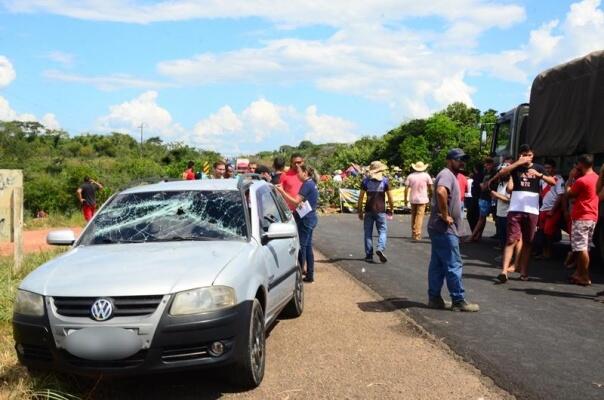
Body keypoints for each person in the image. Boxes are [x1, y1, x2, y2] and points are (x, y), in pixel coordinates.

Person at [493, 144, 555, 283]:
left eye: (530, 155)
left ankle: (524, 272)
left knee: (528, 242)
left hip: (532, 210)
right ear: (520, 155)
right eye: (525, 154)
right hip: (515, 208)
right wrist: (517, 163)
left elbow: (552, 182)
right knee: (511, 240)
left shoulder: (538, 168)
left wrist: (540, 175)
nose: (527, 157)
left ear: (533, 156)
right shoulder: (515, 167)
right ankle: (504, 271)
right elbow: (501, 174)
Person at [427, 148, 479, 312]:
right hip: (444, 228)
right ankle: (458, 299)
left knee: (437, 264)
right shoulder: (447, 175)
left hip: (438, 228)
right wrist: (445, 215)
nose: (462, 162)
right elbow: (441, 191)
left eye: (463, 159)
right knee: (453, 264)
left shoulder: (452, 175)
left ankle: (434, 298)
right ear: (449, 160)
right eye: (458, 159)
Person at [276, 165, 319, 283]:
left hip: (306, 219)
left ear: (305, 173)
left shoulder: (307, 185)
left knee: (302, 247)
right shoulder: (311, 184)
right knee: (308, 246)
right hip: (310, 217)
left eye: (299, 172)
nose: (297, 175)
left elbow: (295, 202)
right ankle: (309, 274)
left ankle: (299, 275)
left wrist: (282, 191)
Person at [566, 155, 599, 286]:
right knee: (584, 247)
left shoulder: (582, 180)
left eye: (577, 164)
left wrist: (570, 178)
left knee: (581, 248)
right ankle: (579, 274)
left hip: (582, 216)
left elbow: (569, 194)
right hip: (592, 216)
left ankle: (585, 276)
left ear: (581, 164)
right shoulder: (597, 177)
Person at [357, 161, 394, 263]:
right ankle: (380, 248)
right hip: (381, 210)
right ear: (381, 170)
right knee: (382, 231)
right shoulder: (385, 181)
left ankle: (369, 255)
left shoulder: (366, 181)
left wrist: (359, 210)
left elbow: (360, 198)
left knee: (368, 233)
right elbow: (390, 198)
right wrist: (391, 208)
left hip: (368, 210)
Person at [534, 159, 565, 259]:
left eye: (549, 168)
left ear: (554, 169)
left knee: (548, 232)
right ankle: (542, 252)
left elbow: (560, 196)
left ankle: (548, 252)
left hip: (553, 210)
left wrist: (553, 210)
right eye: (545, 168)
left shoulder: (558, 179)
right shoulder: (542, 179)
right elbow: (540, 193)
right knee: (542, 231)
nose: (547, 170)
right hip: (543, 209)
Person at [404, 161, 433, 240]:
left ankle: (414, 232)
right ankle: (417, 234)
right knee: (419, 216)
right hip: (422, 198)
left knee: (413, 216)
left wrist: (405, 199)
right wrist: (431, 195)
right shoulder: (426, 176)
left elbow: (406, 188)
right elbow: (430, 187)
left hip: (413, 198)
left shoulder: (410, 176)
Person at [470, 158, 496, 242]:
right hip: (483, 197)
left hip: (487, 197)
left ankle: (472, 236)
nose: (485, 166)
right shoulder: (486, 173)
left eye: (487, 164)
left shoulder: (493, 173)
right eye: (485, 164)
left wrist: (485, 185)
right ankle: (478, 235)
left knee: (481, 218)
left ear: (492, 164)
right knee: (482, 218)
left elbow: (484, 186)